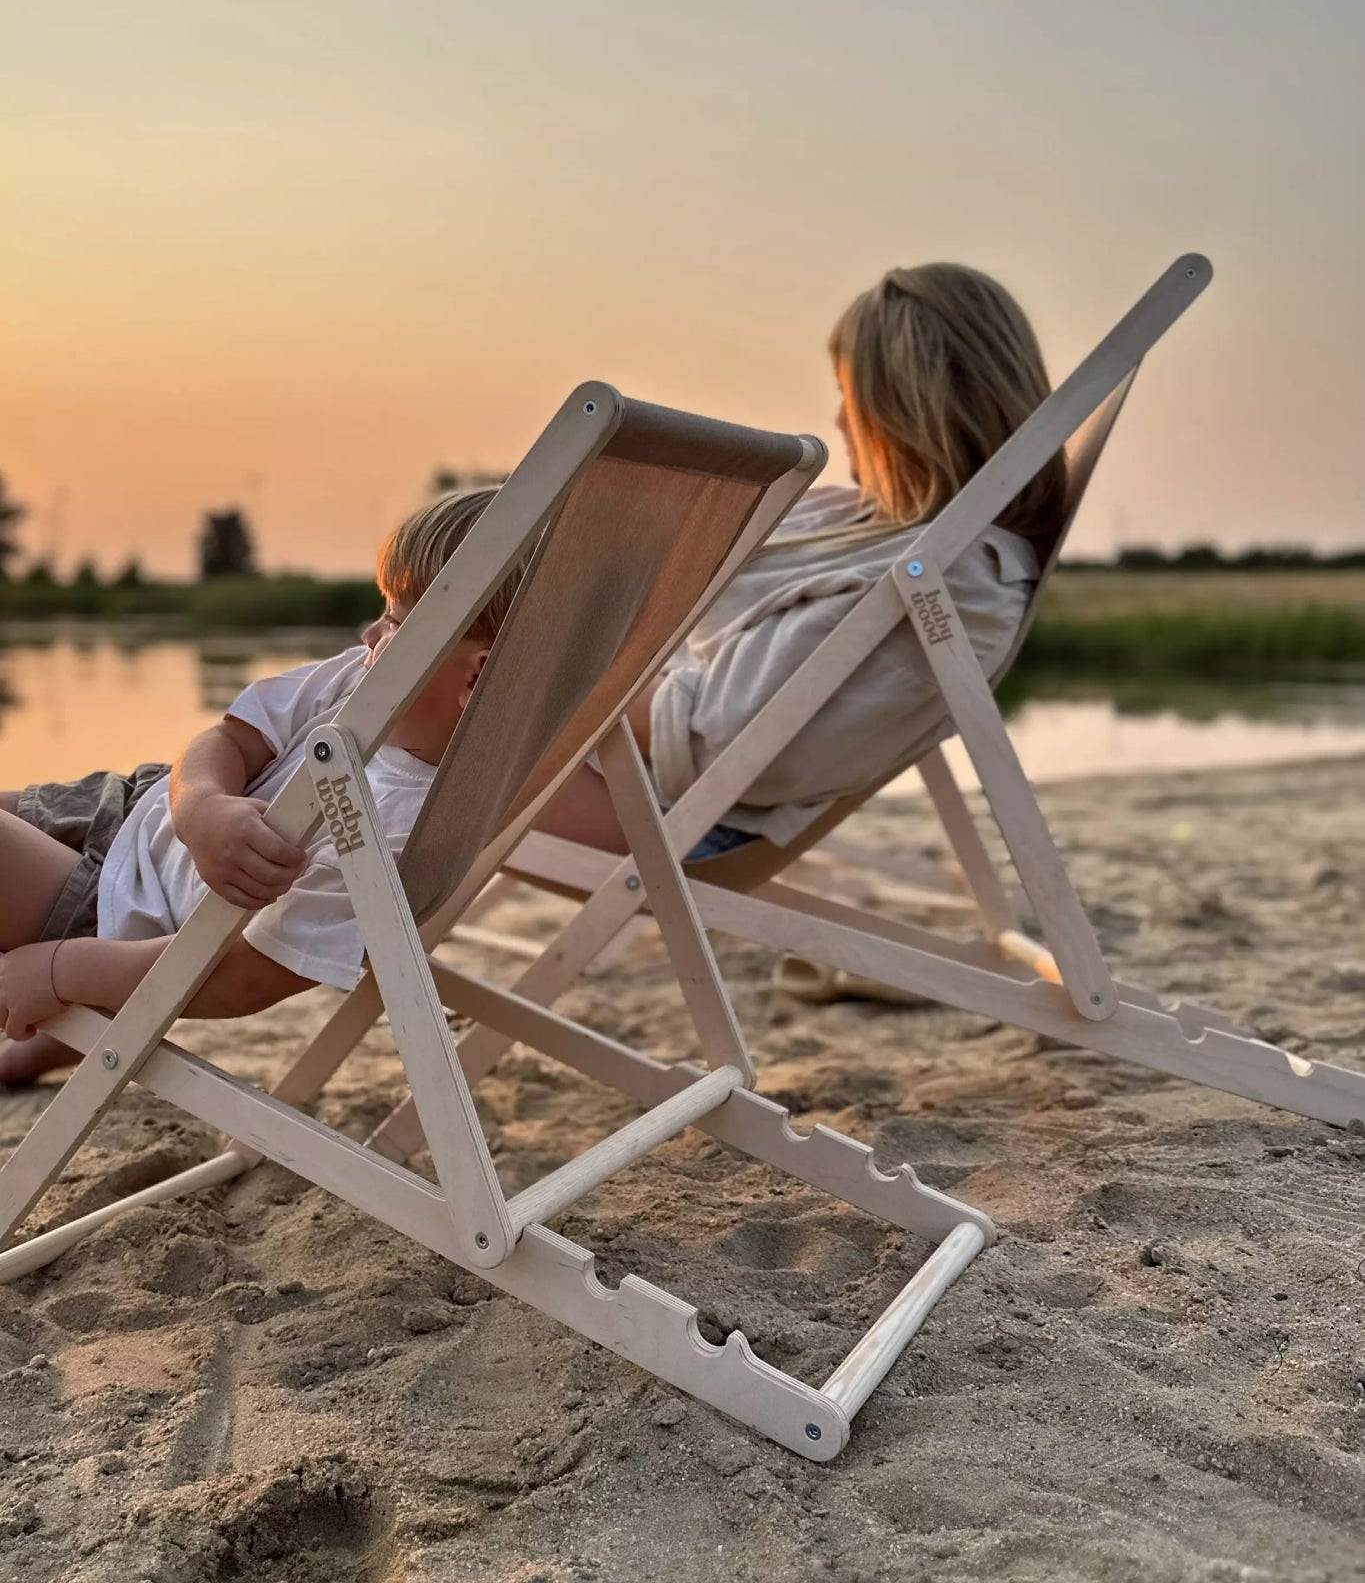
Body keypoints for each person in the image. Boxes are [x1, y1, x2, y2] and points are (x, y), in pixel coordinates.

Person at [536, 262, 1067, 856]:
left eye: (850, 397)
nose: (840, 421)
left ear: (903, 410)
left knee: (423, 746)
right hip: (613, 767)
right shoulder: (869, 523)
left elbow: (713, 743)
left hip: (661, 811)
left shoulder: (954, 579)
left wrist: (539, 669)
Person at [0, 490, 527, 1083]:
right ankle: (60, 1042)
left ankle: (79, 1021)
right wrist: (201, 806)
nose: (369, 634)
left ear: (475, 673)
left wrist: (61, 972)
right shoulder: (357, 678)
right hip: (132, 805)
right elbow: (226, 739)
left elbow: (248, 976)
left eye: (395, 622)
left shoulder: (401, 826)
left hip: (119, 915)